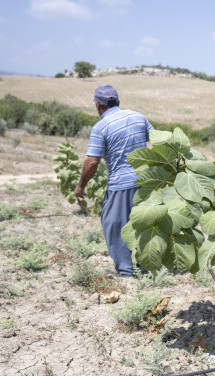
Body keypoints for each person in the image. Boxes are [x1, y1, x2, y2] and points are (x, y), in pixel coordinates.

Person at [75, 84, 154, 277]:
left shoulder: (101, 126)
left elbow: (92, 162)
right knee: (144, 224)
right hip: (146, 182)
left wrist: (80, 185)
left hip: (121, 184)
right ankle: (148, 266)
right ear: (117, 101)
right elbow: (157, 141)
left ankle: (126, 271)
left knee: (114, 225)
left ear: (97, 104)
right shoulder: (138, 116)